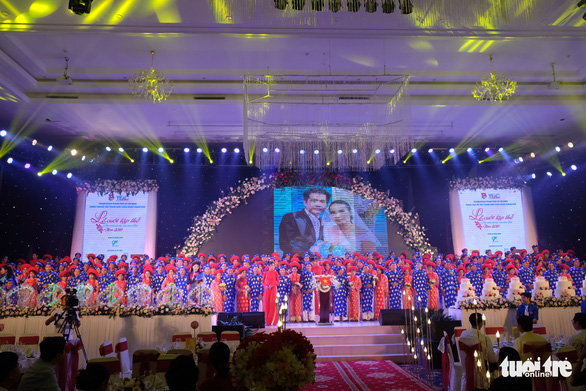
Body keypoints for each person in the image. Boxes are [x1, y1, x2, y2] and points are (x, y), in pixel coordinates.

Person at [279, 188, 331, 254]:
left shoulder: (323, 222)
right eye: (314, 201)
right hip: (296, 262)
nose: (318, 204)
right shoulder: (291, 217)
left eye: (322, 201)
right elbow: (286, 244)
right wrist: (310, 252)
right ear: (305, 202)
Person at [459, 313, 497, 380]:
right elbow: (492, 359)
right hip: (481, 370)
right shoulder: (485, 338)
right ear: (481, 323)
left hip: (466, 366)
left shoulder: (463, 334)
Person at [262, 261, 280, 326]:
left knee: (272, 304)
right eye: (271, 265)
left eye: (273, 265)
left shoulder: (276, 273)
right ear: (268, 266)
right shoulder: (265, 273)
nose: (272, 267)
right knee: (267, 304)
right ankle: (267, 321)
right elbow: (262, 282)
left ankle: (273, 321)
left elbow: (278, 282)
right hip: (267, 290)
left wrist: (272, 285)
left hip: (273, 290)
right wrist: (265, 286)